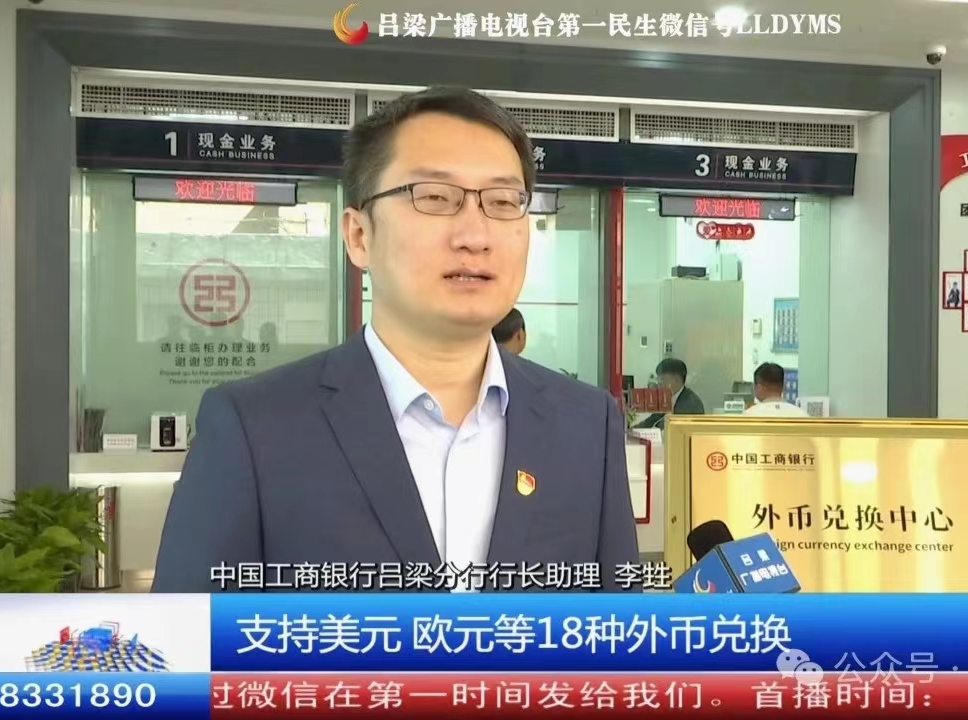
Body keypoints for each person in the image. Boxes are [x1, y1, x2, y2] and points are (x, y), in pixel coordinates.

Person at [152, 87, 640, 592]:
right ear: (359, 236)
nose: (475, 236)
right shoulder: (254, 427)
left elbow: (619, 630)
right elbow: (188, 634)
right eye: (434, 198)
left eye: (501, 202)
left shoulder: (587, 424)